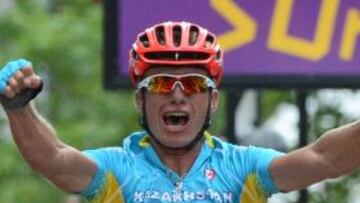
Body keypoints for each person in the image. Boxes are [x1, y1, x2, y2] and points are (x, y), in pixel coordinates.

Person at [1, 21, 360, 203]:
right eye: (159, 85)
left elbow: (323, 157)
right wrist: (19, 108)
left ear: (213, 101)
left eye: (191, 85)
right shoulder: (118, 168)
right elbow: (55, 160)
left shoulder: (242, 166)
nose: (176, 96)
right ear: (140, 101)